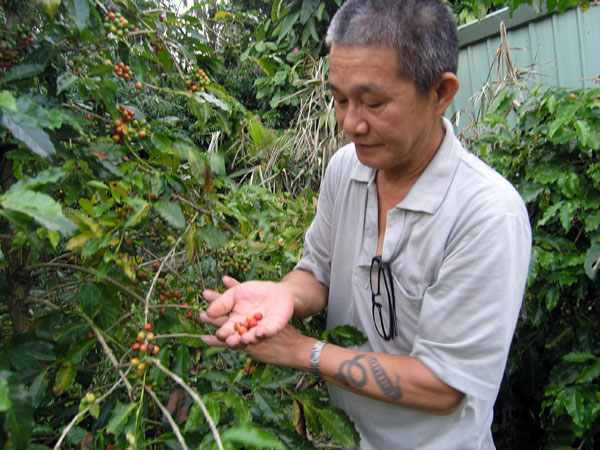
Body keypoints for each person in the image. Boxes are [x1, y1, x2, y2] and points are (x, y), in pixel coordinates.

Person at [200, 0, 532, 448]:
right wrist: (283, 294)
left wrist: (304, 352)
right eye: (339, 99)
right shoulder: (346, 170)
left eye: (373, 102)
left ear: (440, 93)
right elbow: (317, 271)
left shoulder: (486, 215)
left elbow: (442, 387)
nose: (350, 123)